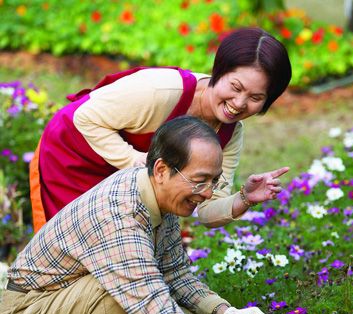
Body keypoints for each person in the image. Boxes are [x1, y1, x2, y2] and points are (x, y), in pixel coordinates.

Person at [1, 117, 289, 314]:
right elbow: (154, 309)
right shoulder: (118, 215)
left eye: (213, 182)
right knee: (114, 292)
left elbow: (175, 275)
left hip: (65, 311)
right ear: (162, 169)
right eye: (200, 181)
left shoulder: (156, 194)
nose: (208, 193)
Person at [30, 27, 292, 233]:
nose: (239, 104)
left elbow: (208, 209)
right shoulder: (161, 91)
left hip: (127, 176)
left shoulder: (229, 135)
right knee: (70, 246)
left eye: (256, 97)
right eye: (235, 87)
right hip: (74, 153)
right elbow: (84, 117)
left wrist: (245, 198)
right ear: (219, 71)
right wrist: (138, 165)